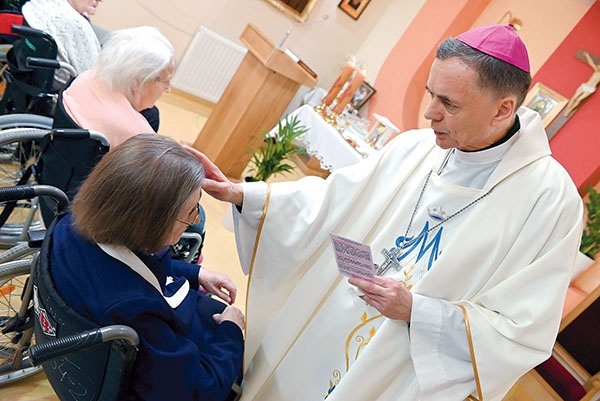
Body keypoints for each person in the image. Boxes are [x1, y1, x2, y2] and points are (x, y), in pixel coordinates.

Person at [192, 24, 584, 400]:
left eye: (448, 103)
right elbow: (332, 203)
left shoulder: (550, 202)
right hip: (328, 324)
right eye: (432, 93)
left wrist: (417, 311)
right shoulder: (417, 148)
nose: (430, 113)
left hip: (398, 368)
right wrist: (245, 194)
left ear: (503, 110)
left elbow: (522, 333)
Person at [49, 134, 244, 401]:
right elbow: (197, 390)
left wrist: (196, 273)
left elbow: (138, 264)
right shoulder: (134, 307)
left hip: (79, 344)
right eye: (192, 211)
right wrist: (231, 332)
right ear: (153, 223)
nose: (197, 218)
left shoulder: (68, 224)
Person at [51, 25, 172, 147]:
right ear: (138, 82)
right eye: (165, 81)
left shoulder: (86, 77)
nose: (168, 89)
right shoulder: (136, 134)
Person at [22, 0, 101, 87]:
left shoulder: (37, 3)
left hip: (30, 77)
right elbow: (91, 82)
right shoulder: (75, 24)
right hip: (63, 91)